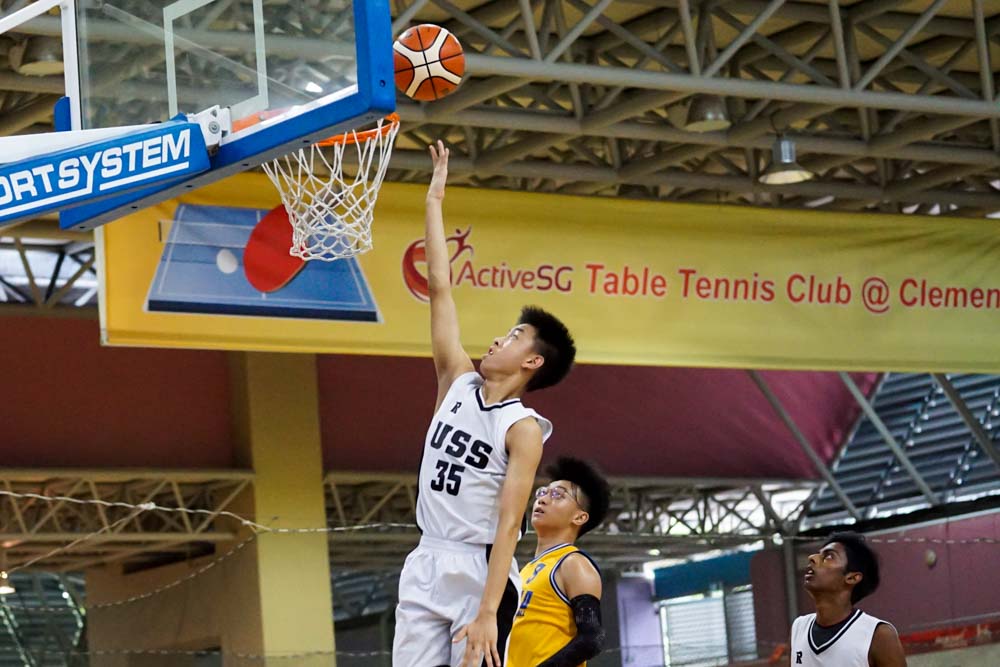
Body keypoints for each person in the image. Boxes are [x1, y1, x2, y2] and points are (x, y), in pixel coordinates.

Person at [393, 140, 577, 667]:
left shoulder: (522, 429)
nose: (499, 340)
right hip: (427, 557)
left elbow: (509, 526)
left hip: (480, 573)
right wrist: (434, 200)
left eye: (514, 336)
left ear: (533, 363)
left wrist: (488, 612)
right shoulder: (456, 380)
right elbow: (439, 287)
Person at [507, 456, 611, 667]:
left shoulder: (573, 563)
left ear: (579, 517)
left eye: (557, 495)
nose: (543, 500)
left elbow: (592, 639)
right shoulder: (526, 570)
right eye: (543, 492)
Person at [790, 532, 906, 666]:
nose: (812, 558)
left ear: (851, 577)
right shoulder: (798, 628)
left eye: (828, 556)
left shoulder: (878, 635)